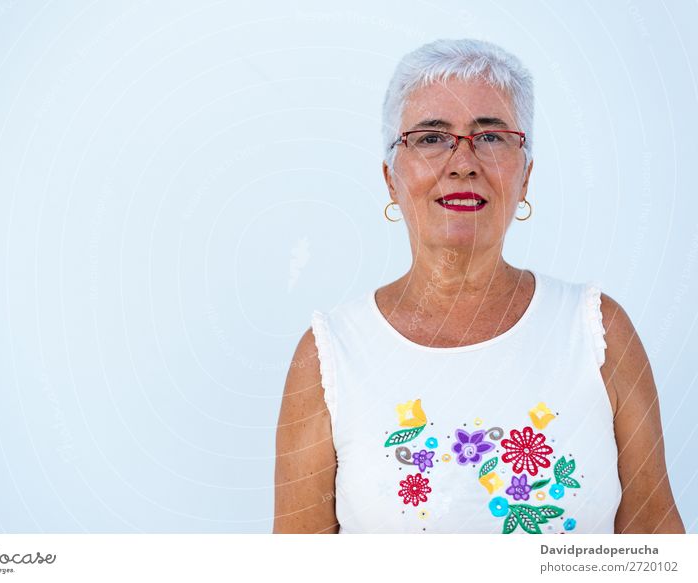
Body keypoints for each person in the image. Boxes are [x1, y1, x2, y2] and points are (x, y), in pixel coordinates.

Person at [273, 39, 684, 534]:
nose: (463, 162)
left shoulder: (599, 331)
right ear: (390, 178)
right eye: (430, 138)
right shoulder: (330, 354)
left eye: (490, 137)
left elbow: (655, 548)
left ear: (526, 175)